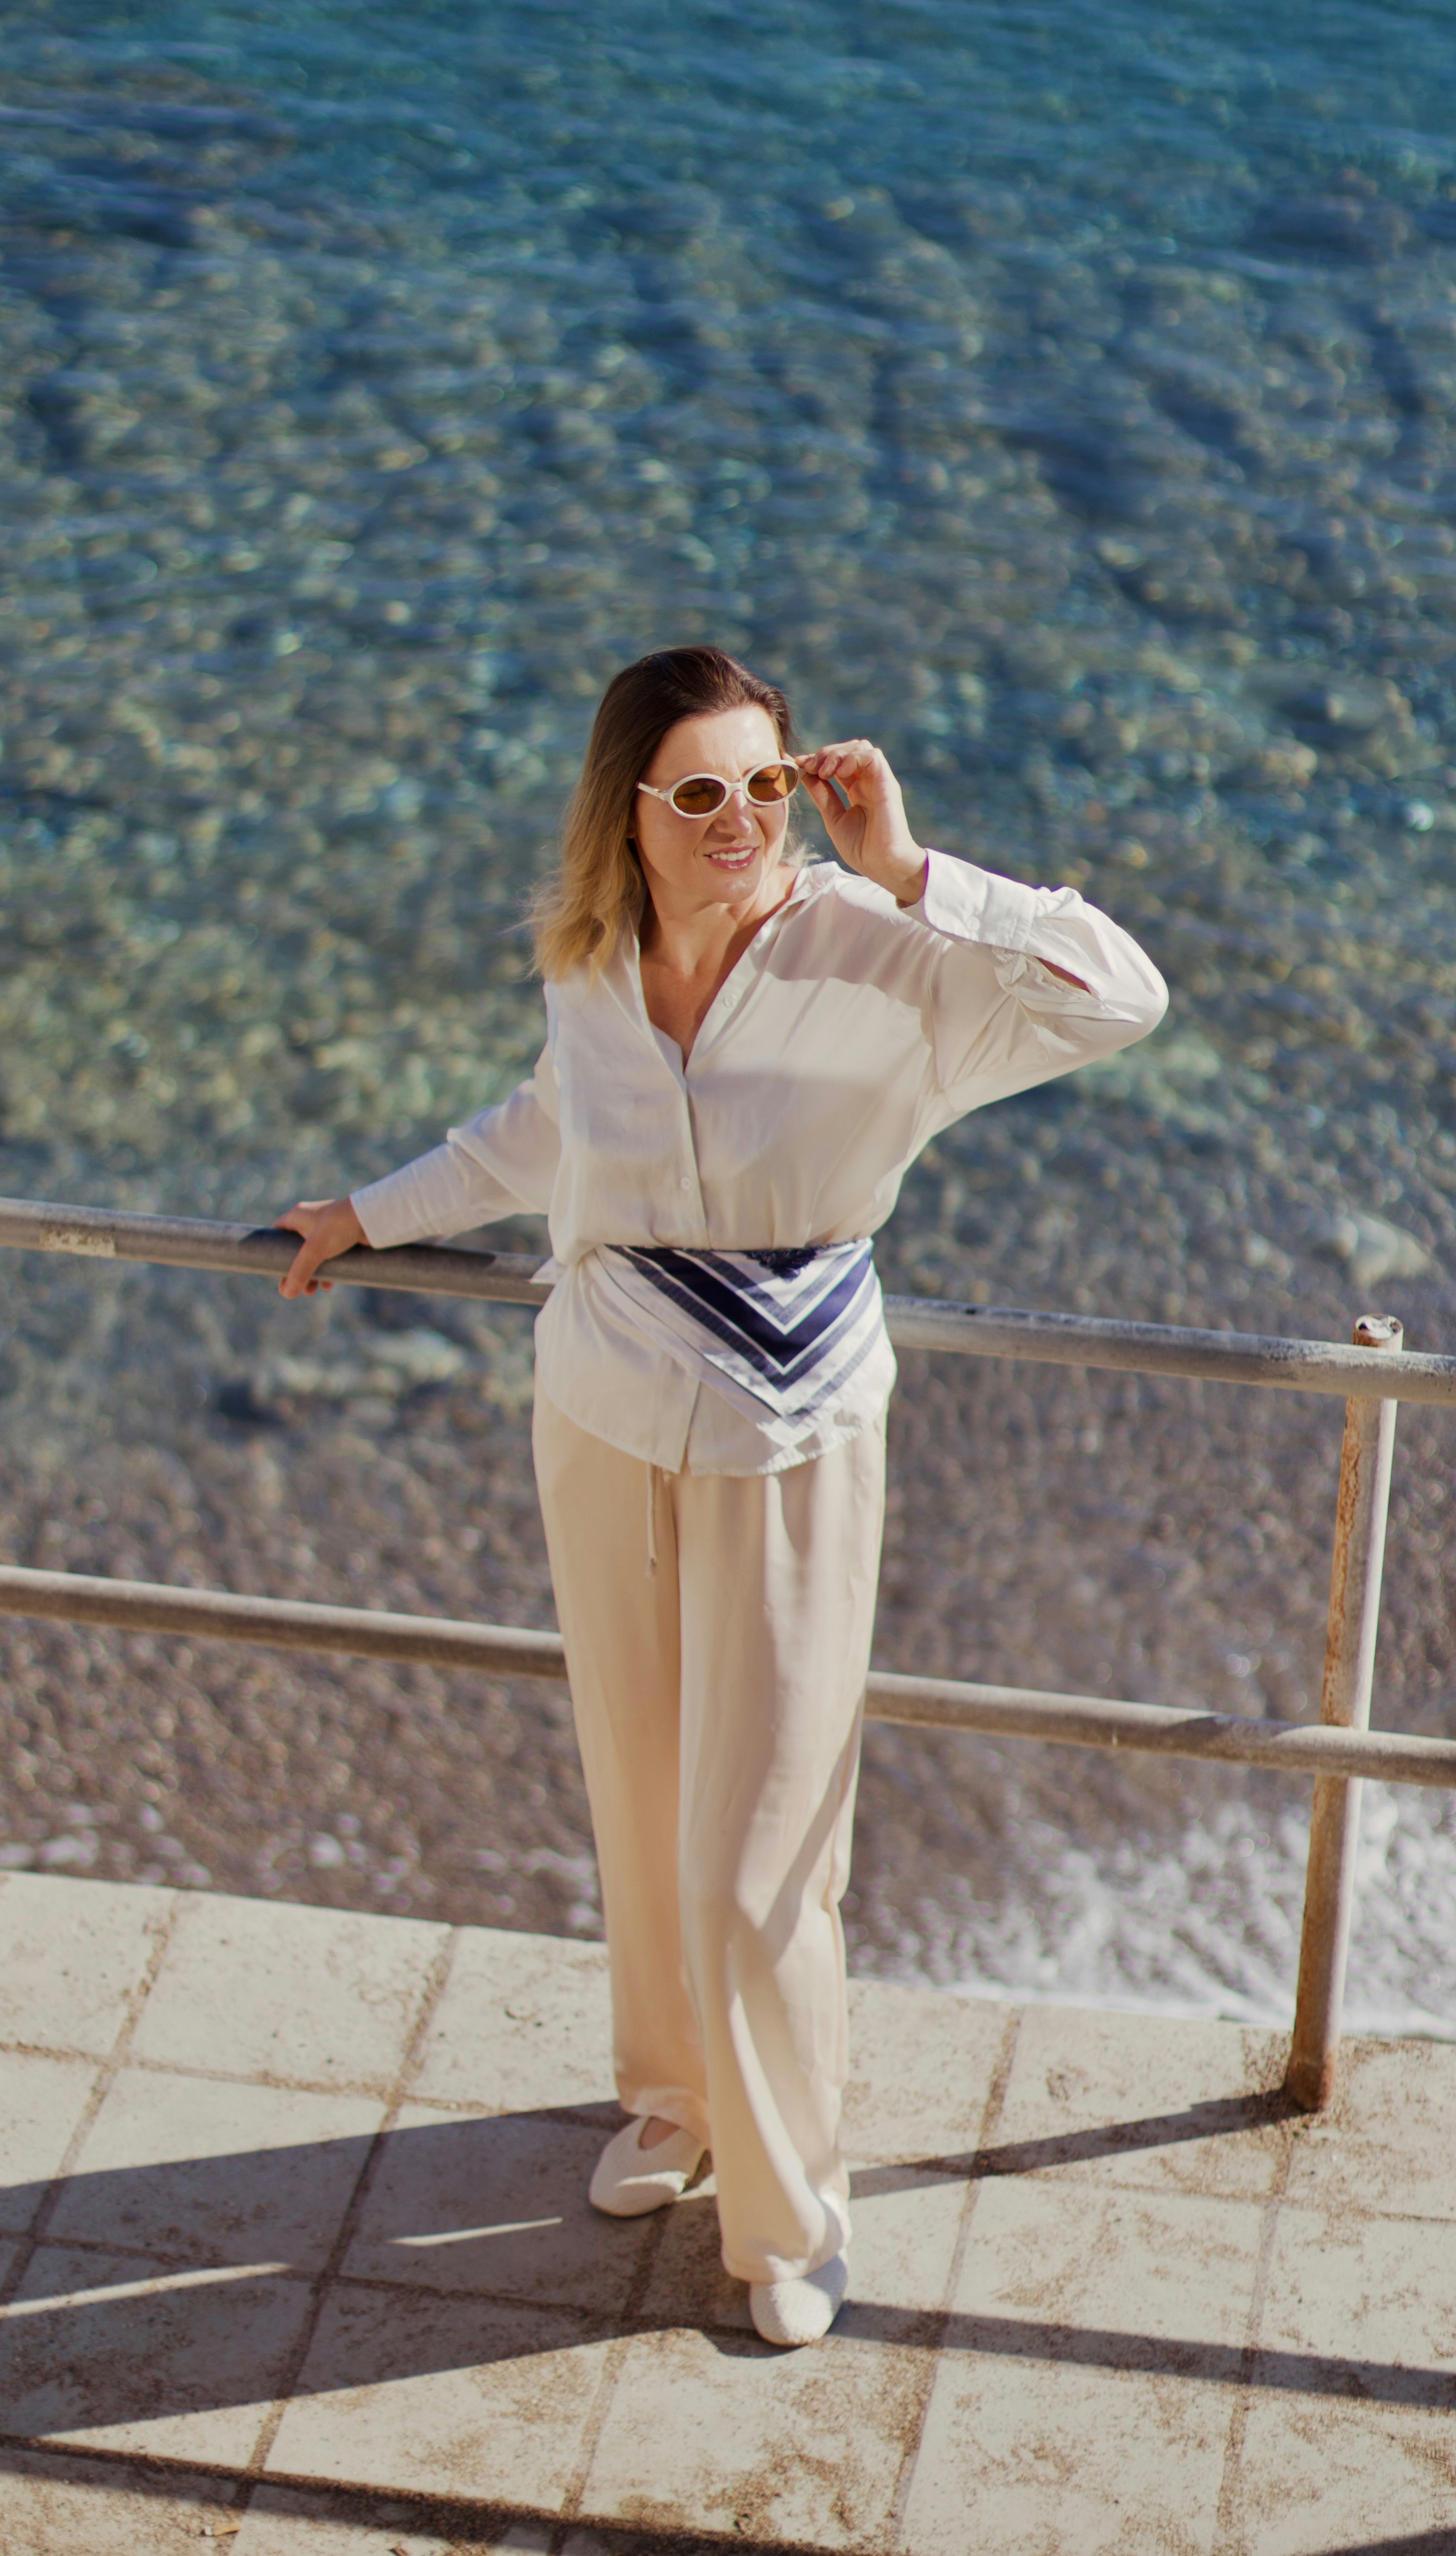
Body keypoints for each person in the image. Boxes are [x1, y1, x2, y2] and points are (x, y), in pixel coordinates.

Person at [277, 645, 1167, 2347]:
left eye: (766, 785)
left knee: (766, 1849)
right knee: (640, 1792)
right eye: (703, 792)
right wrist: (362, 1213)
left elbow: (1119, 997)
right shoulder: (592, 965)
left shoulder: (885, 956)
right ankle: (675, 2105)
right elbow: (540, 1139)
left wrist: (915, 866)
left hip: (792, 1437)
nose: (745, 820)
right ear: (632, 810)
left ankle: (788, 2209)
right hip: (604, 1418)